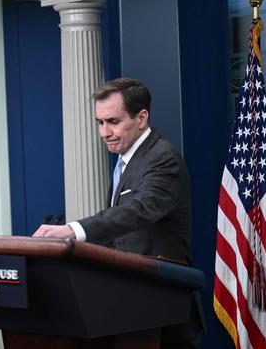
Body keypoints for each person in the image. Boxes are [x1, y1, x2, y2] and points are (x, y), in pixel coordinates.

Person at [33, 78, 202, 348]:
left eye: (113, 121)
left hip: (163, 308)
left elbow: (139, 210)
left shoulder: (162, 157)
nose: (104, 132)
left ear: (141, 118)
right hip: (128, 308)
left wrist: (73, 231)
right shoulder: (127, 160)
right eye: (100, 122)